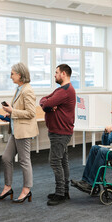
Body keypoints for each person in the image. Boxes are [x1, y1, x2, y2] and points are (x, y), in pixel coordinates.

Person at [0, 63, 38, 203]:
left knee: (24, 161)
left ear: (20, 75)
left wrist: (12, 111)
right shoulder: (19, 89)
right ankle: (8, 187)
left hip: (24, 131)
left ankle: (27, 189)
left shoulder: (27, 90)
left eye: (12, 73)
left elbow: (31, 113)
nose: (11, 76)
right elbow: (20, 111)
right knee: (6, 158)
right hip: (15, 130)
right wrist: (10, 115)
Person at [40, 64, 76, 206]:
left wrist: (47, 104)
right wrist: (47, 104)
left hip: (60, 132)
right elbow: (44, 100)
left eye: (56, 72)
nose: (54, 75)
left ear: (63, 74)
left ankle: (60, 193)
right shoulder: (61, 90)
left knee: (55, 161)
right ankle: (64, 191)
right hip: (59, 131)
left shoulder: (65, 91)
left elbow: (46, 103)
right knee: (62, 161)